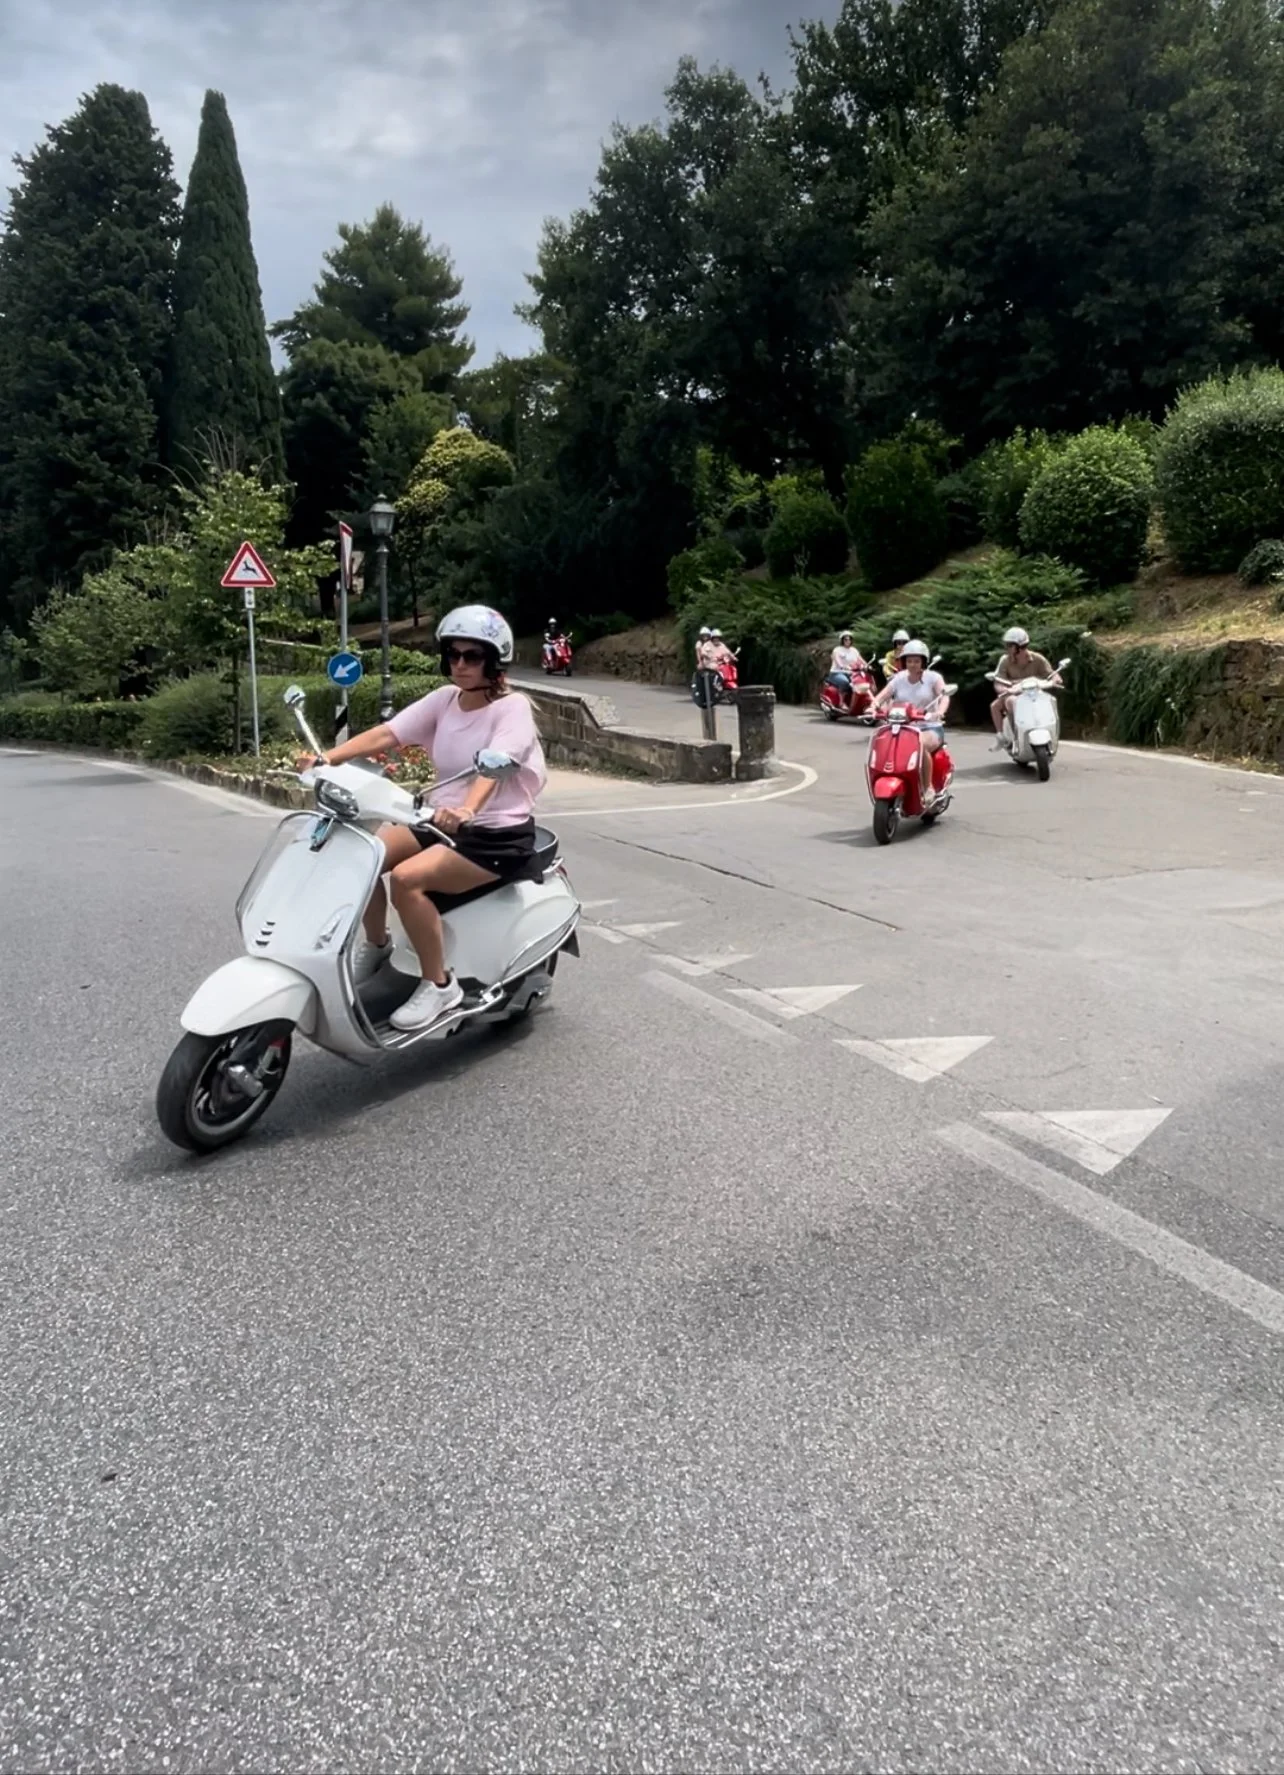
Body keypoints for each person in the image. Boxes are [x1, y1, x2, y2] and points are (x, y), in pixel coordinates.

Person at [296, 604, 547, 1031]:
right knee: (361, 855)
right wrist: (326, 759)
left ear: (494, 660)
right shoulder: (445, 700)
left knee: (407, 880)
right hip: (439, 819)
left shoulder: (513, 708)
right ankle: (378, 946)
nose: (460, 664)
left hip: (493, 834)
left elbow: (495, 764)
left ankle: (439, 985)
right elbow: (388, 733)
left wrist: (468, 809)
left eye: (472, 656)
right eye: (453, 654)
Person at [867, 639, 951, 801]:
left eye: (917, 661)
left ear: (923, 662)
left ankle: (928, 787)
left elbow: (944, 696)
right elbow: (884, 694)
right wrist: (873, 706)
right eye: (909, 661)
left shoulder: (933, 678)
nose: (913, 664)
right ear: (904, 661)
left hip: (928, 727)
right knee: (882, 741)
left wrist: (940, 712)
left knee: (920, 744)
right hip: (902, 727)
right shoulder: (899, 678)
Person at [990, 626, 1060, 747]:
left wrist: (1055, 679)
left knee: (1051, 700)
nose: (1007, 648)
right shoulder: (1005, 660)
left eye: (1009, 645)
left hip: (1036, 695)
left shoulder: (1037, 658)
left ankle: (1052, 733)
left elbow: (1052, 674)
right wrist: (1004, 689)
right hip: (1014, 694)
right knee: (1003, 703)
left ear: (1017, 647)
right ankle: (1008, 736)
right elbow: (998, 681)